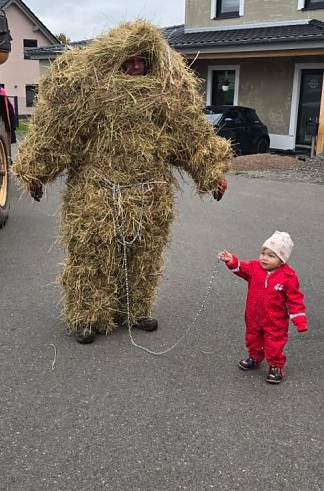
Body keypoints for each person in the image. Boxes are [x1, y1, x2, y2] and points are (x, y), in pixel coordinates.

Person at [13, 19, 232, 344]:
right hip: (95, 194)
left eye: (141, 60)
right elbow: (57, 135)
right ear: (115, 59)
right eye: (128, 60)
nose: (134, 66)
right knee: (92, 256)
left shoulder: (168, 97)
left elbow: (192, 139)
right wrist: (36, 172)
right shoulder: (89, 94)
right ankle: (87, 316)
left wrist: (213, 174)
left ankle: (137, 309)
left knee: (145, 255)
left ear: (150, 62)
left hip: (151, 194)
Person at [219, 231, 307, 383]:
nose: (264, 258)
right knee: (253, 338)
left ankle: (275, 365)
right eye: (263, 253)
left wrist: (300, 320)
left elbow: (295, 299)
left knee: (274, 343)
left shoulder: (288, 277)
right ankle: (254, 357)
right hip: (253, 315)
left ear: (282, 260)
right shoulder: (255, 268)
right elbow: (242, 269)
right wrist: (232, 261)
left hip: (275, 321)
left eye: (271, 256)